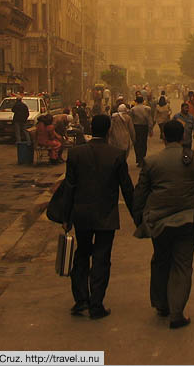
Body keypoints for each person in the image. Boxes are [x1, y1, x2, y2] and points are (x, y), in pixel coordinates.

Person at [132, 120, 194, 329]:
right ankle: (176, 312)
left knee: (160, 260)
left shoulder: (151, 162)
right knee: (182, 265)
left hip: (159, 223)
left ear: (164, 137)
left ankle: (161, 304)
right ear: (182, 137)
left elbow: (140, 194)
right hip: (188, 222)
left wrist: (139, 219)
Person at [62, 114, 135, 320]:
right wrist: (138, 216)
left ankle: (81, 300)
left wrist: (66, 217)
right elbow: (127, 189)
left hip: (81, 214)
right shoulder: (117, 155)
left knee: (82, 254)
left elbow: (69, 187)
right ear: (109, 130)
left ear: (91, 128)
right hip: (106, 215)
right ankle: (96, 304)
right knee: (102, 259)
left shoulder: (76, 154)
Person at [130, 96, 153, 167]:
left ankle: (139, 159)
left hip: (136, 127)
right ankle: (143, 158)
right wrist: (150, 129)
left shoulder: (133, 109)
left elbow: (131, 120)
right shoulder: (147, 108)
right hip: (144, 127)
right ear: (143, 101)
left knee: (136, 143)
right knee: (143, 143)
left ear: (136, 101)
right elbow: (149, 119)